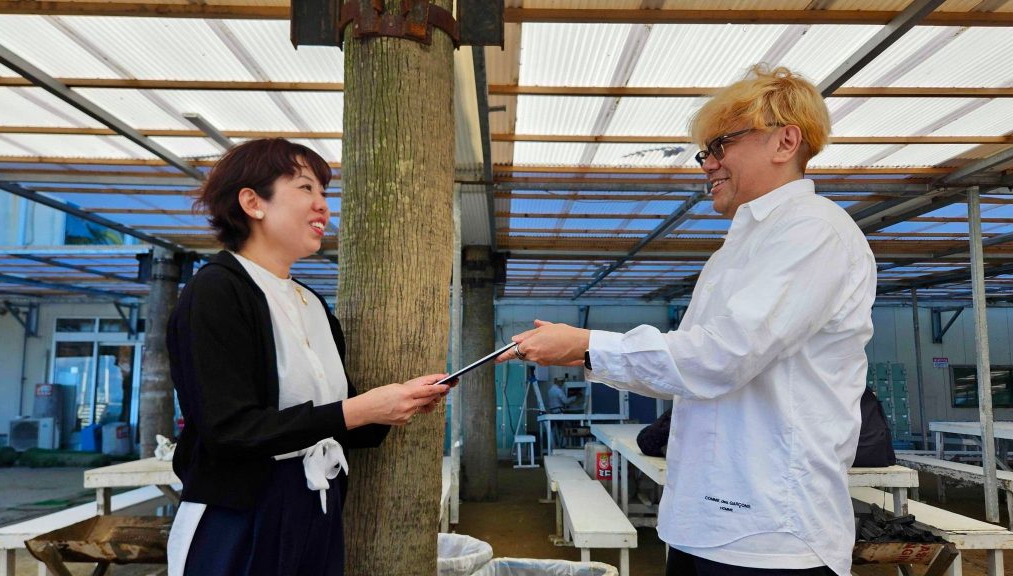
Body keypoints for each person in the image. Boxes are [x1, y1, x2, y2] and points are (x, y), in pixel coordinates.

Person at [497, 65, 876, 576]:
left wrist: (586, 344)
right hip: (707, 520)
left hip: (768, 532)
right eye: (705, 152)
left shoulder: (812, 231)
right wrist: (586, 352)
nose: (708, 164)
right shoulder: (739, 248)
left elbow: (723, 356)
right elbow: (695, 364)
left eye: (721, 145)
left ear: (785, 141)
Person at [165, 138, 452, 576]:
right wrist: (359, 410)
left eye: (324, 192)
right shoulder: (216, 292)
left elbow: (335, 420)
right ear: (253, 203)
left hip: (318, 506)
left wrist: (397, 403)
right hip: (240, 517)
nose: (323, 206)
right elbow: (228, 429)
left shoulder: (312, 304)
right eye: (305, 188)